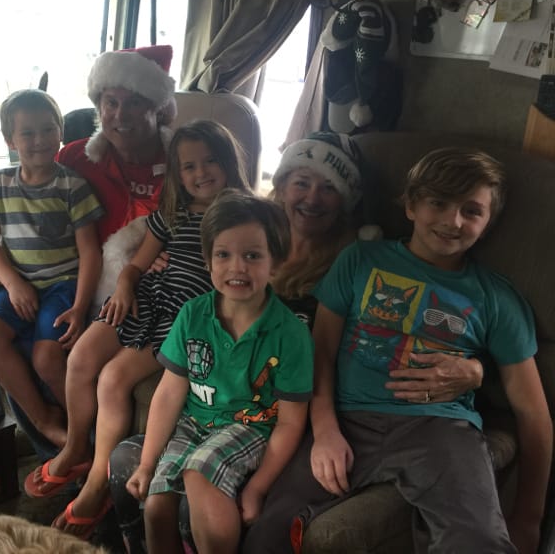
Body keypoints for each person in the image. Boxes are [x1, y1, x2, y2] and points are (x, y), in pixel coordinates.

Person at [108, 132, 486, 553]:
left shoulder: (352, 264)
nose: (312, 198)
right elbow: (199, 263)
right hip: (211, 404)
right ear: (282, 186)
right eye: (301, 183)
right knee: (139, 477)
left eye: (329, 188)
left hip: (270, 416)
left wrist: (474, 368)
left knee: (196, 488)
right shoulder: (240, 241)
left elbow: (364, 344)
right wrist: (142, 263)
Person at [244, 147, 552, 554]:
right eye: (438, 203)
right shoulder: (360, 260)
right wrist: (326, 431)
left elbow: (533, 413)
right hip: (348, 418)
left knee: (476, 540)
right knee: (270, 531)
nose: (453, 221)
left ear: (488, 221)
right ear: (410, 206)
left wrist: (529, 518)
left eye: (471, 211)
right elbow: (321, 355)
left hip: (440, 428)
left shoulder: (497, 298)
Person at [26, 120, 251, 539]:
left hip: (184, 318)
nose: (200, 173)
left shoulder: (241, 214)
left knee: (112, 378)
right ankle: (75, 446)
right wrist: (125, 286)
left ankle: (98, 484)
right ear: (177, 173)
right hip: (145, 297)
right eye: (188, 167)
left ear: (228, 162)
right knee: (80, 359)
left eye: (209, 162)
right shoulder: (172, 213)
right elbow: (135, 265)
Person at [0, 45, 179, 460]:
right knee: (0, 335)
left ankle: (80, 447)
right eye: (110, 103)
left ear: (157, 108)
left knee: (48, 350)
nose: (120, 115)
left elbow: (199, 223)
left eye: (134, 103)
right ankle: (52, 442)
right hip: (52, 277)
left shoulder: (180, 162)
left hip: (119, 287)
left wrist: (153, 254)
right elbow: (16, 222)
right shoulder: (76, 157)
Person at [124, 189, 313, 554]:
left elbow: (291, 422)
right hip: (195, 422)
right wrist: (147, 464)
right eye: (223, 255)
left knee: (200, 469)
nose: (236, 267)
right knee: (157, 503)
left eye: (252, 256)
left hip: (253, 426)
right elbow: (169, 392)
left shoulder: (291, 334)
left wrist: (257, 487)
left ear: (275, 264)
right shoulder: (192, 314)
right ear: (208, 262)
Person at [0, 89, 104, 448]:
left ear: (60, 131)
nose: (39, 140)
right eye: (27, 133)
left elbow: (90, 252)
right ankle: (42, 419)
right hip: (19, 283)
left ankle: (89, 432)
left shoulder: (72, 186)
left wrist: (80, 306)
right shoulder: (0, 183)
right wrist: (12, 283)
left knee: (47, 358)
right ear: (10, 140)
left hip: (63, 285)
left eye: (48, 130)